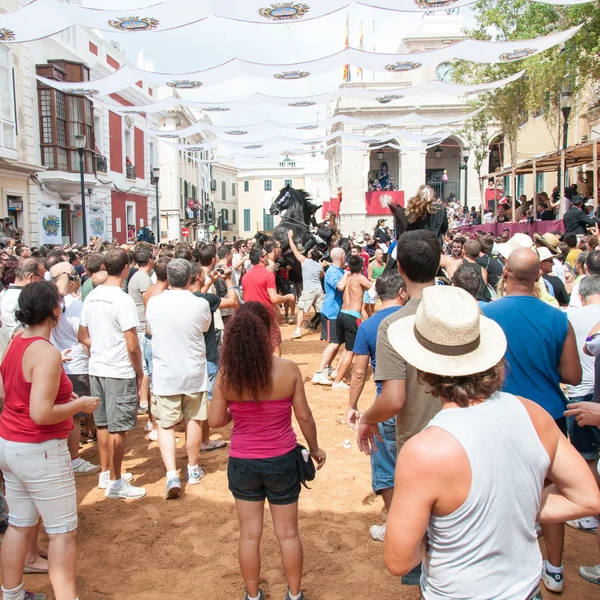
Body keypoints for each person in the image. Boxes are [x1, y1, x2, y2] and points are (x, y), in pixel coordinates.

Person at [382, 285, 600, 599]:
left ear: (422, 366)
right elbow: (586, 498)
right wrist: (515, 507)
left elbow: (399, 560)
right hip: (527, 590)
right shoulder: (532, 413)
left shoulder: (425, 451)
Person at [208, 302, 326, 600]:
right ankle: (295, 594)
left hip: (243, 461)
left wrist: (239, 412)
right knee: (287, 533)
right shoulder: (287, 370)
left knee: (249, 534)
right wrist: (315, 449)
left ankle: (252, 595)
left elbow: (215, 420)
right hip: (282, 459)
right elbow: (304, 417)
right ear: (267, 332)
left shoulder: (226, 377)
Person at [482, 247, 583, 593]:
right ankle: (554, 567)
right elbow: (571, 374)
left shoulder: (486, 314)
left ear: (504, 274)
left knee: (495, 489)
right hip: (547, 416)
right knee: (548, 490)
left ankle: (503, 563)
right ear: (538, 276)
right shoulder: (558, 318)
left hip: (498, 413)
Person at [0, 281, 100, 600]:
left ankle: (12, 594)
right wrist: (79, 405)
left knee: (19, 524)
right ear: (54, 312)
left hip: (12, 445)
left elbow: (13, 393)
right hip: (40, 449)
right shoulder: (47, 352)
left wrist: (64, 396)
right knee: (62, 533)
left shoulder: (17, 340)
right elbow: (42, 413)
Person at [357, 230, 443, 585]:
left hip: (419, 445)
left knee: (426, 542)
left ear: (400, 269)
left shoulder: (393, 324)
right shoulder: (464, 312)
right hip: (468, 438)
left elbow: (393, 399)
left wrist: (366, 418)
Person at [78, 248, 146, 499]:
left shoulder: (92, 296)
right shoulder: (122, 299)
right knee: (118, 428)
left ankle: (107, 474)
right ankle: (116, 482)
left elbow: (81, 335)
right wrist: (139, 372)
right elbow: (132, 344)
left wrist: (98, 349)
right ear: (126, 268)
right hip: (118, 370)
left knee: (104, 424)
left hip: (97, 368)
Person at [347, 271, 407, 540]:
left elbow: (359, 372)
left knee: (386, 465)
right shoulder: (413, 319)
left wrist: (353, 405)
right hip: (422, 404)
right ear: (402, 292)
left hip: (386, 405)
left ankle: (395, 524)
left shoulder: (368, 326)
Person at [146, 259, 212, 499]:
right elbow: (205, 328)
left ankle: (172, 474)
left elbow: (151, 330)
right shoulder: (199, 304)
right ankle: (193, 469)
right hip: (193, 371)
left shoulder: (154, 303)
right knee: (193, 420)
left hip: (166, 373)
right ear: (188, 279)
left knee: (166, 425)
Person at [49, 262, 99, 475]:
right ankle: (75, 459)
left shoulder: (50, 303)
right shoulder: (74, 306)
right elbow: (83, 335)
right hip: (76, 362)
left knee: (68, 415)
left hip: (59, 361)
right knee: (74, 415)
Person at [562, 275, 600, 535]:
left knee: (586, 459)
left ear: (581, 294)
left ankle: (591, 515)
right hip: (593, 396)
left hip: (579, 396)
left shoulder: (571, 317)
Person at [188, 261, 237, 451]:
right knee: (207, 398)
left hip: (188, 358)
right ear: (199, 277)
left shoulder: (180, 298)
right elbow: (232, 302)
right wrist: (229, 280)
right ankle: (204, 440)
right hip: (206, 355)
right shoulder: (205, 300)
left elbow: (198, 294)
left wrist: (210, 280)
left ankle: (198, 439)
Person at [242, 247, 294, 358]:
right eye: (265, 254)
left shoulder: (246, 276)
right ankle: (274, 372)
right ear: (261, 258)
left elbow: (245, 296)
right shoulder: (268, 275)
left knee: (255, 345)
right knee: (274, 345)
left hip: (250, 315)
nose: (267, 257)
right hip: (266, 314)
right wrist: (288, 297)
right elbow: (274, 298)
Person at [141, 257, 172, 442]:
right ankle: (154, 424)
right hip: (155, 340)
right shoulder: (161, 293)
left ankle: (153, 422)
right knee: (155, 385)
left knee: (153, 383)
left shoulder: (151, 289)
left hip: (149, 339)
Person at [331, 255, 372, 391]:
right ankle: (337, 381)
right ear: (362, 266)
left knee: (346, 348)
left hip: (342, 314)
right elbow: (373, 288)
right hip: (352, 316)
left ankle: (337, 372)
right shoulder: (360, 278)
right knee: (351, 351)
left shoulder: (347, 277)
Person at [312, 247, 347, 385]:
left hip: (337, 311)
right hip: (331, 311)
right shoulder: (332, 271)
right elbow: (340, 286)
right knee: (334, 343)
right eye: (345, 255)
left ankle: (327, 368)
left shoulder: (339, 270)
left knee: (337, 342)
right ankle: (319, 372)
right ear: (341, 256)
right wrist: (348, 274)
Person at [127, 243, 154, 411]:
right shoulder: (144, 278)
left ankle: (142, 398)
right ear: (150, 260)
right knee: (145, 368)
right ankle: (143, 400)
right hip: (143, 326)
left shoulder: (137, 276)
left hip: (140, 324)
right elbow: (148, 301)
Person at [286, 230, 323, 340]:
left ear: (310, 255)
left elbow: (293, 249)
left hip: (309, 290)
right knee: (322, 311)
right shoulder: (319, 265)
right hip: (319, 290)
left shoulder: (305, 260)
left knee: (302, 310)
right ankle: (326, 331)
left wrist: (290, 237)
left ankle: (297, 330)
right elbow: (321, 275)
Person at [0, 258, 45, 337]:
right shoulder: (26, 298)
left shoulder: (3, 294)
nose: (42, 283)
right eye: (42, 278)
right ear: (31, 277)